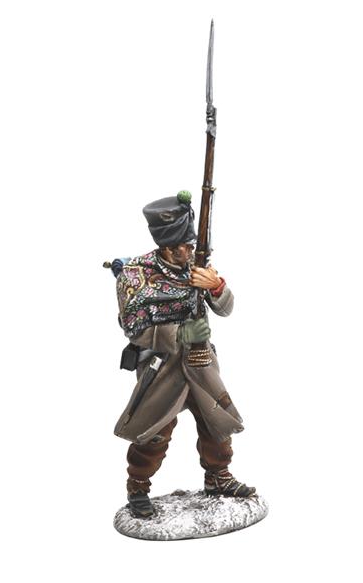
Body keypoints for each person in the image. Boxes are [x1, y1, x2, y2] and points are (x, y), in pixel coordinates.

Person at [113, 191, 255, 518]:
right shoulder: (135, 274)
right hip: (162, 368)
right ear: (163, 245)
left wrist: (216, 286)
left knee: (216, 423)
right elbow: (133, 327)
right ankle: (138, 487)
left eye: (188, 246)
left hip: (201, 363)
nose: (185, 252)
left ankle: (218, 477)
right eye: (177, 247)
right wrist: (179, 334)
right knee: (153, 433)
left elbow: (226, 309)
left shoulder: (197, 267)